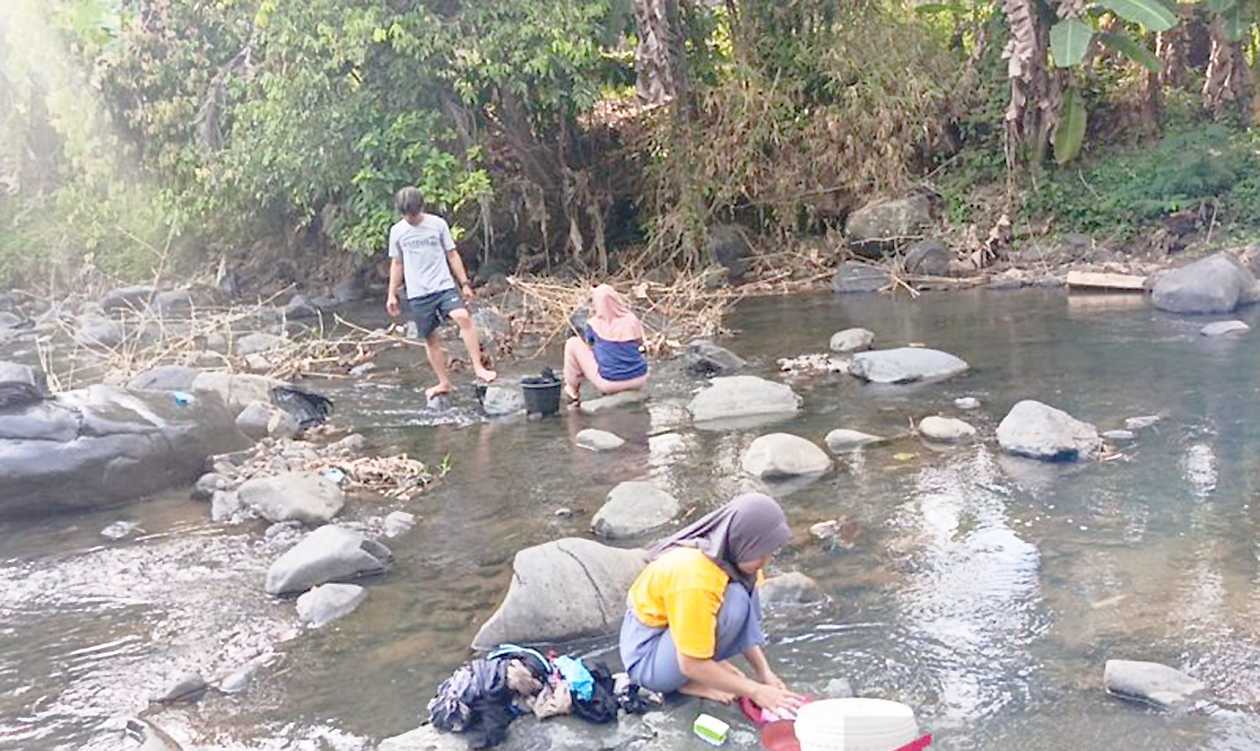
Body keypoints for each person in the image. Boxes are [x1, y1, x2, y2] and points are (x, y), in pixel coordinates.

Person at [619, 493, 805, 714]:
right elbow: (690, 663)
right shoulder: (696, 578)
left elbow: (745, 625)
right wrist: (756, 691)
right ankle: (687, 682)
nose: (766, 561)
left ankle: (702, 667)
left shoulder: (731, 558)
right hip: (645, 658)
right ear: (742, 542)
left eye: (769, 553)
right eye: (761, 553)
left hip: (669, 638)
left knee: (738, 598)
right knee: (734, 604)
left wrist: (765, 673)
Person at [385, 186, 496, 399]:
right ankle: (444, 383)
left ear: (421, 208)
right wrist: (392, 294)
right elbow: (397, 263)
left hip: (443, 286)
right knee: (430, 337)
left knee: (463, 317)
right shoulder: (397, 231)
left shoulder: (437, 224)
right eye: (406, 214)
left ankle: (479, 368)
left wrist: (464, 283)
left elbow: (452, 255)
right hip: (417, 293)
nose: (410, 218)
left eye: (413, 214)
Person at [563, 284, 648, 404]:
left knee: (572, 344)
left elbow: (589, 345)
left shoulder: (594, 324)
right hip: (640, 379)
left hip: (609, 383)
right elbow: (641, 344)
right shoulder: (632, 319)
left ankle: (572, 390)